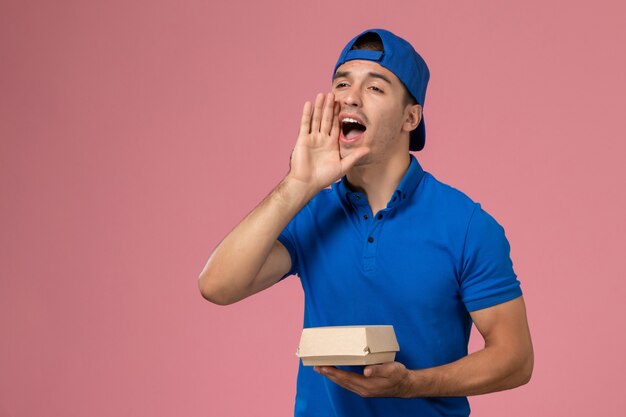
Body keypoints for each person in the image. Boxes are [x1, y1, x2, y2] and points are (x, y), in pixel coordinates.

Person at [198, 28, 533, 417]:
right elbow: (217, 285)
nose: (350, 97)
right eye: (342, 83)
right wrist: (298, 184)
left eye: (375, 88)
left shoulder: (467, 226)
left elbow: (515, 358)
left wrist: (411, 384)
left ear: (411, 116)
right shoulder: (309, 211)